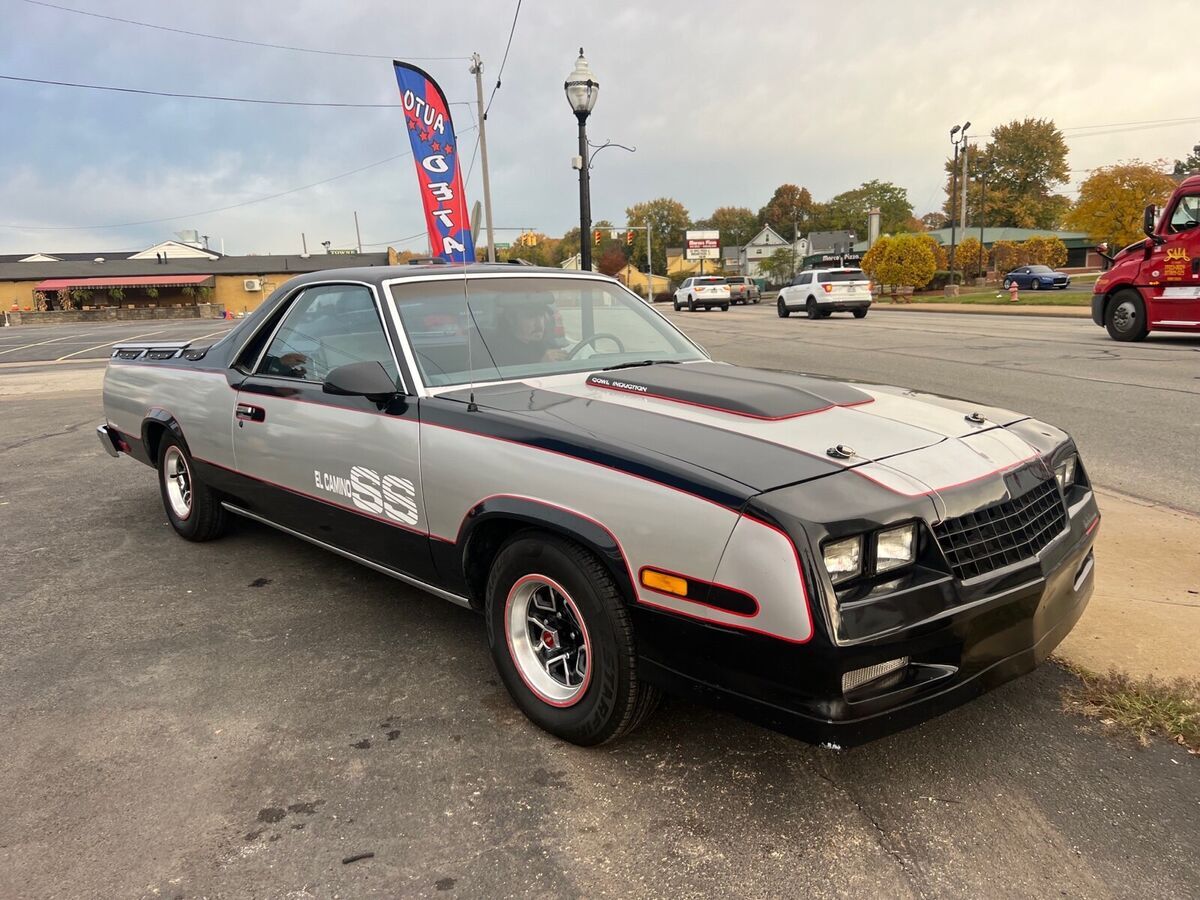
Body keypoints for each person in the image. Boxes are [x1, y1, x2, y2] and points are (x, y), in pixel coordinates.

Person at [487, 296, 567, 367]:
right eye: (530, 316)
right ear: (511, 319)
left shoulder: (544, 344)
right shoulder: (499, 352)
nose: (539, 324)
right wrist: (540, 366)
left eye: (541, 315)